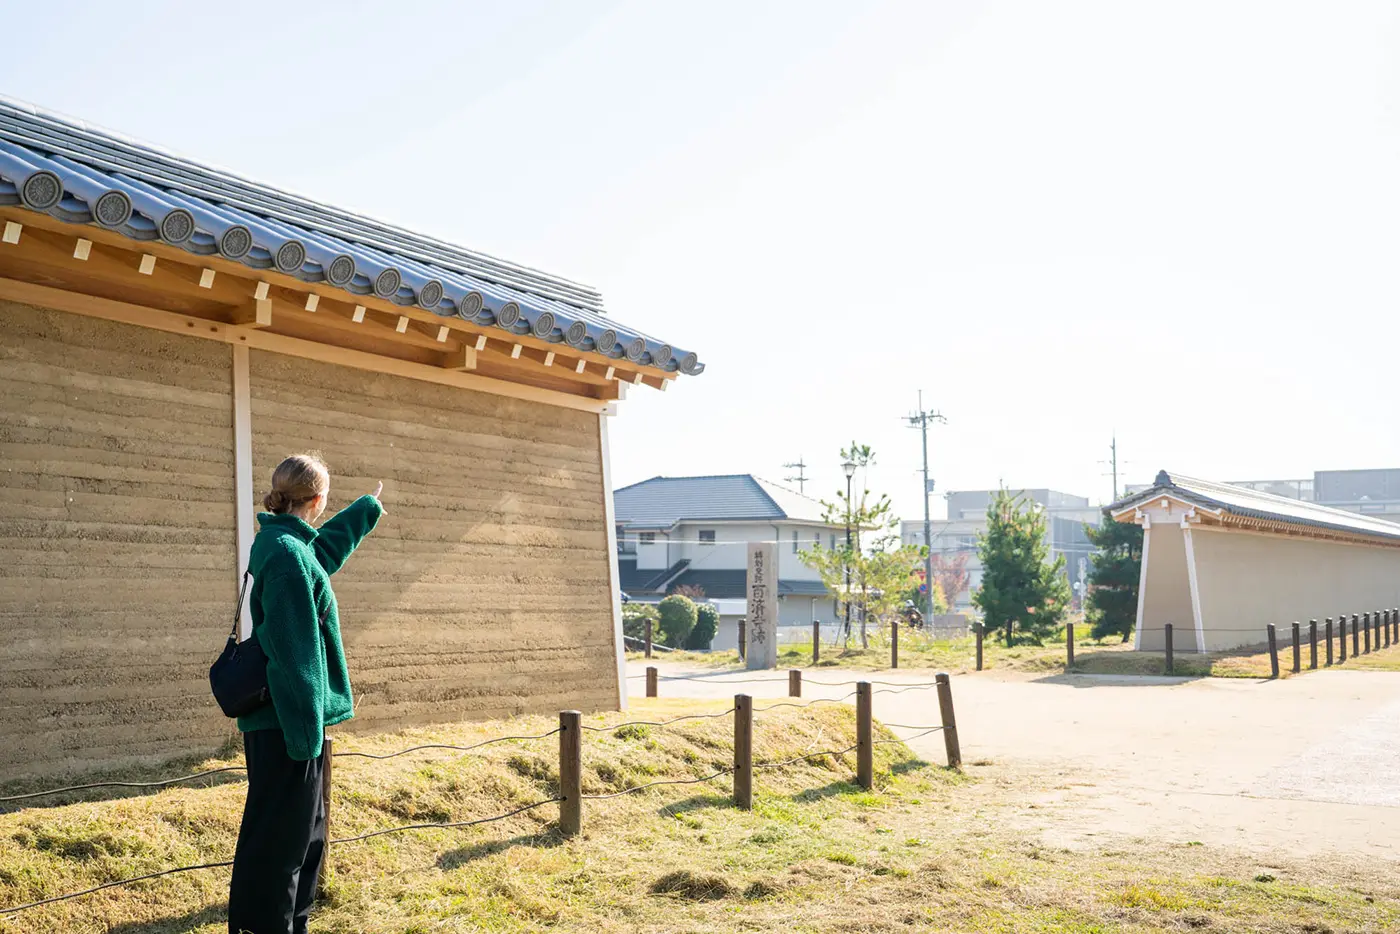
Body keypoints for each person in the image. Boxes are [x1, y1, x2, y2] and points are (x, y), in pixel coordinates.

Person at [228, 453, 384, 934]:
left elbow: (320, 557)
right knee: (280, 847)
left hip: (286, 722)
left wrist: (364, 511)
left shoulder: (281, 541)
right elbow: (296, 657)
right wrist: (305, 737)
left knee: (301, 840)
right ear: (317, 499)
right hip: (288, 726)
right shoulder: (288, 557)